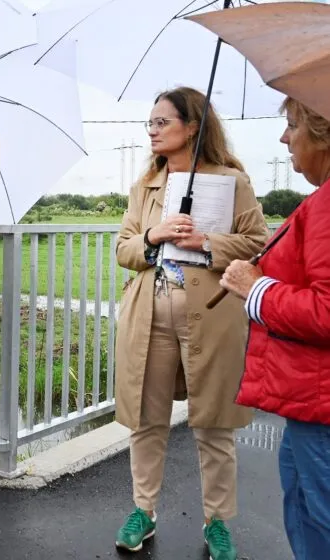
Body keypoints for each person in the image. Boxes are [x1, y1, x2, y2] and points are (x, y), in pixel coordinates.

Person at [114, 86, 268, 560]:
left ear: (193, 125)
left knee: (214, 425)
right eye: (151, 123)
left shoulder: (231, 181)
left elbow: (258, 240)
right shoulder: (146, 186)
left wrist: (207, 243)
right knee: (146, 419)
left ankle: (217, 521)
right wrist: (153, 235)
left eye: (163, 122)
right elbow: (124, 250)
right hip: (150, 315)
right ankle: (144, 510)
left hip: (213, 316)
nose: (153, 131)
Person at [220, 96, 330, 560]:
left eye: (292, 126)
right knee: (304, 510)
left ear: (324, 133)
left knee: (318, 515)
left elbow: (326, 310)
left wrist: (256, 288)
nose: (285, 138)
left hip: (320, 407)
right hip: (310, 403)